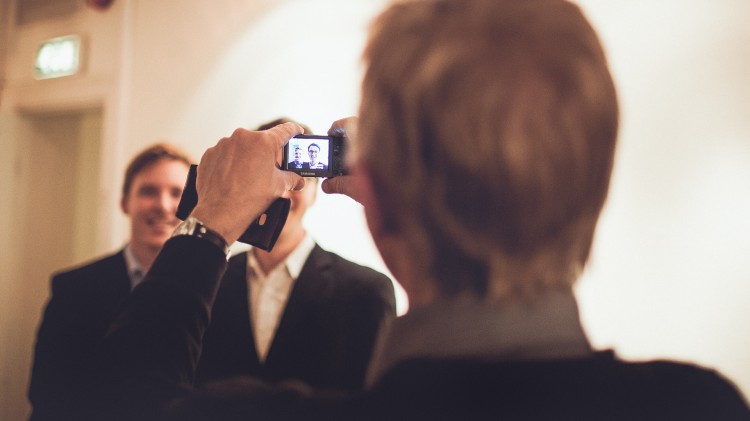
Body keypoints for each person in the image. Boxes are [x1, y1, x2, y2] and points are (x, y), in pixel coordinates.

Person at [90, 0, 750, 420]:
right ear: (593, 185)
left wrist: (207, 223)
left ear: (375, 202)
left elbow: (119, 401)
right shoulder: (704, 404)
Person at [195, 118, 396, 392]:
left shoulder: (368, 290)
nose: (283, 191)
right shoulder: (207, 283)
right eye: (271, 174)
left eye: (298, 176)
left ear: (316, 191)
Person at [27, 143, 193, 421]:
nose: (164, 205)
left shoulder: (215, 290)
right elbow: (47, 394)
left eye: (176, 193)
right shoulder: (73, 289)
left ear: (191, 206)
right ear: (124, 202)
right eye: (149, 191)